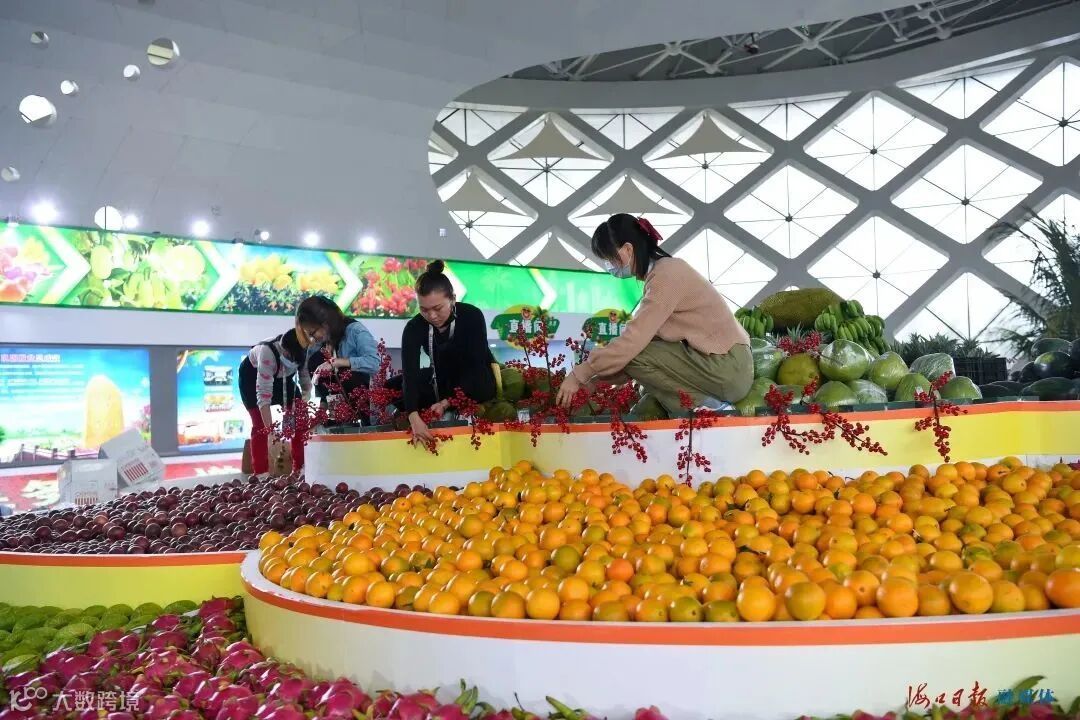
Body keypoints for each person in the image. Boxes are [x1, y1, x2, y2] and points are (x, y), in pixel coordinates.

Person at [555, 213, 753, 416]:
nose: (610, 266)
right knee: (638, 352)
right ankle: (708, 406)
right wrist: (596, 382)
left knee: (634, 351)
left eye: (610, 258)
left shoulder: (666, 275)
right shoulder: (663, 273)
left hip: (727, 367)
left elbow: (633, 343)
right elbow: (646, 351)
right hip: (727, 367)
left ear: (628, 249)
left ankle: (710, 408)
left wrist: (579, 374)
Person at [388, 260, 497, 442]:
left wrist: (447, 403)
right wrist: (413, 416)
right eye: (424, 310)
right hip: (440, 378)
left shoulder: (472, 316)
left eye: (438, 308)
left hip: (474, 377)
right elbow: (410, 374)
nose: (432, 316)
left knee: (480, 381)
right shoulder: (414, 327)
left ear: (452, 298)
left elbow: (476, 365)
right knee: (392, 387)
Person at [238, 329, 311, 478]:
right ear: (283, 349)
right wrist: (270, 431)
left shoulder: (303, 352)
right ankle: (261, 473)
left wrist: (303, 397)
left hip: (284, 379)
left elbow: (305, 380)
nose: (290, 360)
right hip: (252, 377)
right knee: (260, 426)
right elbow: (263, 396)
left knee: (300, 419)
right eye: (288, 356)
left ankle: (300, 468)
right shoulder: (267, 352)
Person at [295, 296, 379, 421]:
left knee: (346, 374)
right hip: (340, 417)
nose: (313, 338)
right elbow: (324, 394)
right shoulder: (317, 350)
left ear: (325, 323)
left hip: (369, 411)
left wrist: (338, 362)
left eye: (313, 333)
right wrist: (318, 419)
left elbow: (375, 363)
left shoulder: (355, 331)